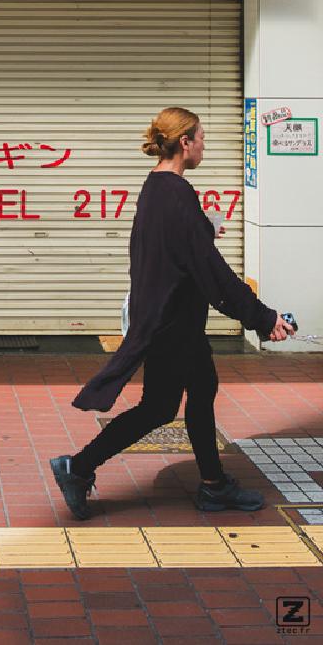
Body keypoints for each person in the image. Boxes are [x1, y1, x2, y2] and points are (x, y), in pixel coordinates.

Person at [50, 107, 296, 520]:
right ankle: (77, 467)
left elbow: (177, 250)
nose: (204, 146)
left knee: (201, 389)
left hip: (171, 319)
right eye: (201, 139)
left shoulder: (156, 188)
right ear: (185, 143)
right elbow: (212, 273)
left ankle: (214, 484)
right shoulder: (178, 195)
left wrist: (201, 229)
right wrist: (262, 317)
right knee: (160, 407)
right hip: (171, 324)